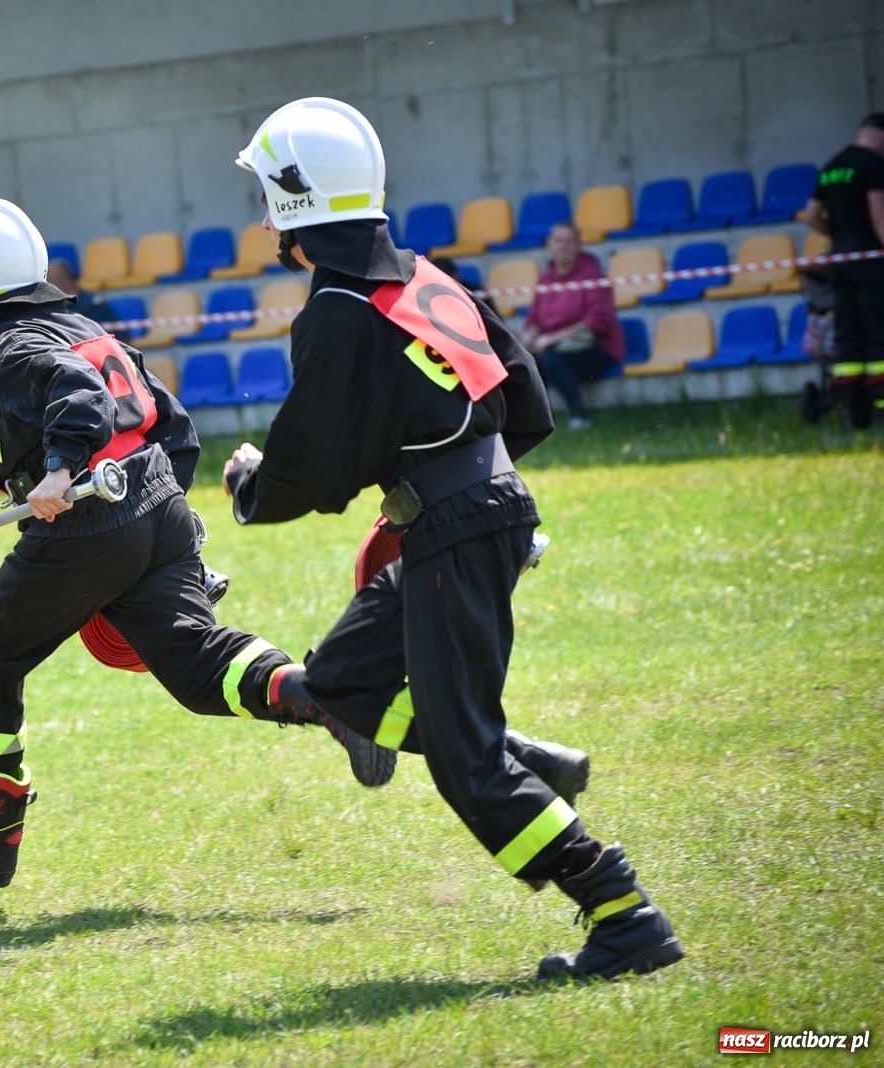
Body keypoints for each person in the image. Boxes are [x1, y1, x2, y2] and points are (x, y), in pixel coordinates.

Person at [224, 96, 683, 981]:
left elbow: (317, 455)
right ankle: (524, 758)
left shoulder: (338, 308)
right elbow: (524, 392)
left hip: (453, 531)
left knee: (465, 764)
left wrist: (254, 485)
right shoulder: (425, 277)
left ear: (291, 207)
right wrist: (480, 486)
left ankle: (622, 911)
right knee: (343, 680)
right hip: (475, 515)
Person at [0, 197, 388, 890]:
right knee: (198, 668)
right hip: (156, 506)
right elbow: (173, 423)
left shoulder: (16, 345)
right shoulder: (84, 328)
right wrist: (170, 521)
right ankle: (322, 696)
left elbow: (78, 397)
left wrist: (57, 470)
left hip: (85, 522)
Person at [800, 113, 884, 422]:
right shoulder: (873, 165)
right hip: (871, 257)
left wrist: (834, 235)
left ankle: (853, 408)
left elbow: (810, 216)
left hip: (839, 259)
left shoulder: (832, 166)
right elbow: (879, 215)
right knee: (878, 327)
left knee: (847, 330)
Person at [516, 223, 624, 429]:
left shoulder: (593, 276)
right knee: (529, 362)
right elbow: (534, 317)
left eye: (569, 241)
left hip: (600, 348)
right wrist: (531, 333)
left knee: (553, 361)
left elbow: (596, 322)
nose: (563, 246)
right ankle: (536, 421)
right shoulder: (546, 278)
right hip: (555, 347)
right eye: (558, 241)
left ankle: (578, 416)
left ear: (578, 245)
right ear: (550, 245)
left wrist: (552, 338)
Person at [44, 257, 112, 322]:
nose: (47, 288)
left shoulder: (95, 305)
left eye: (51, 282)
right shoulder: (49, 309)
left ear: (65, 281)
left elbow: (111, 330)